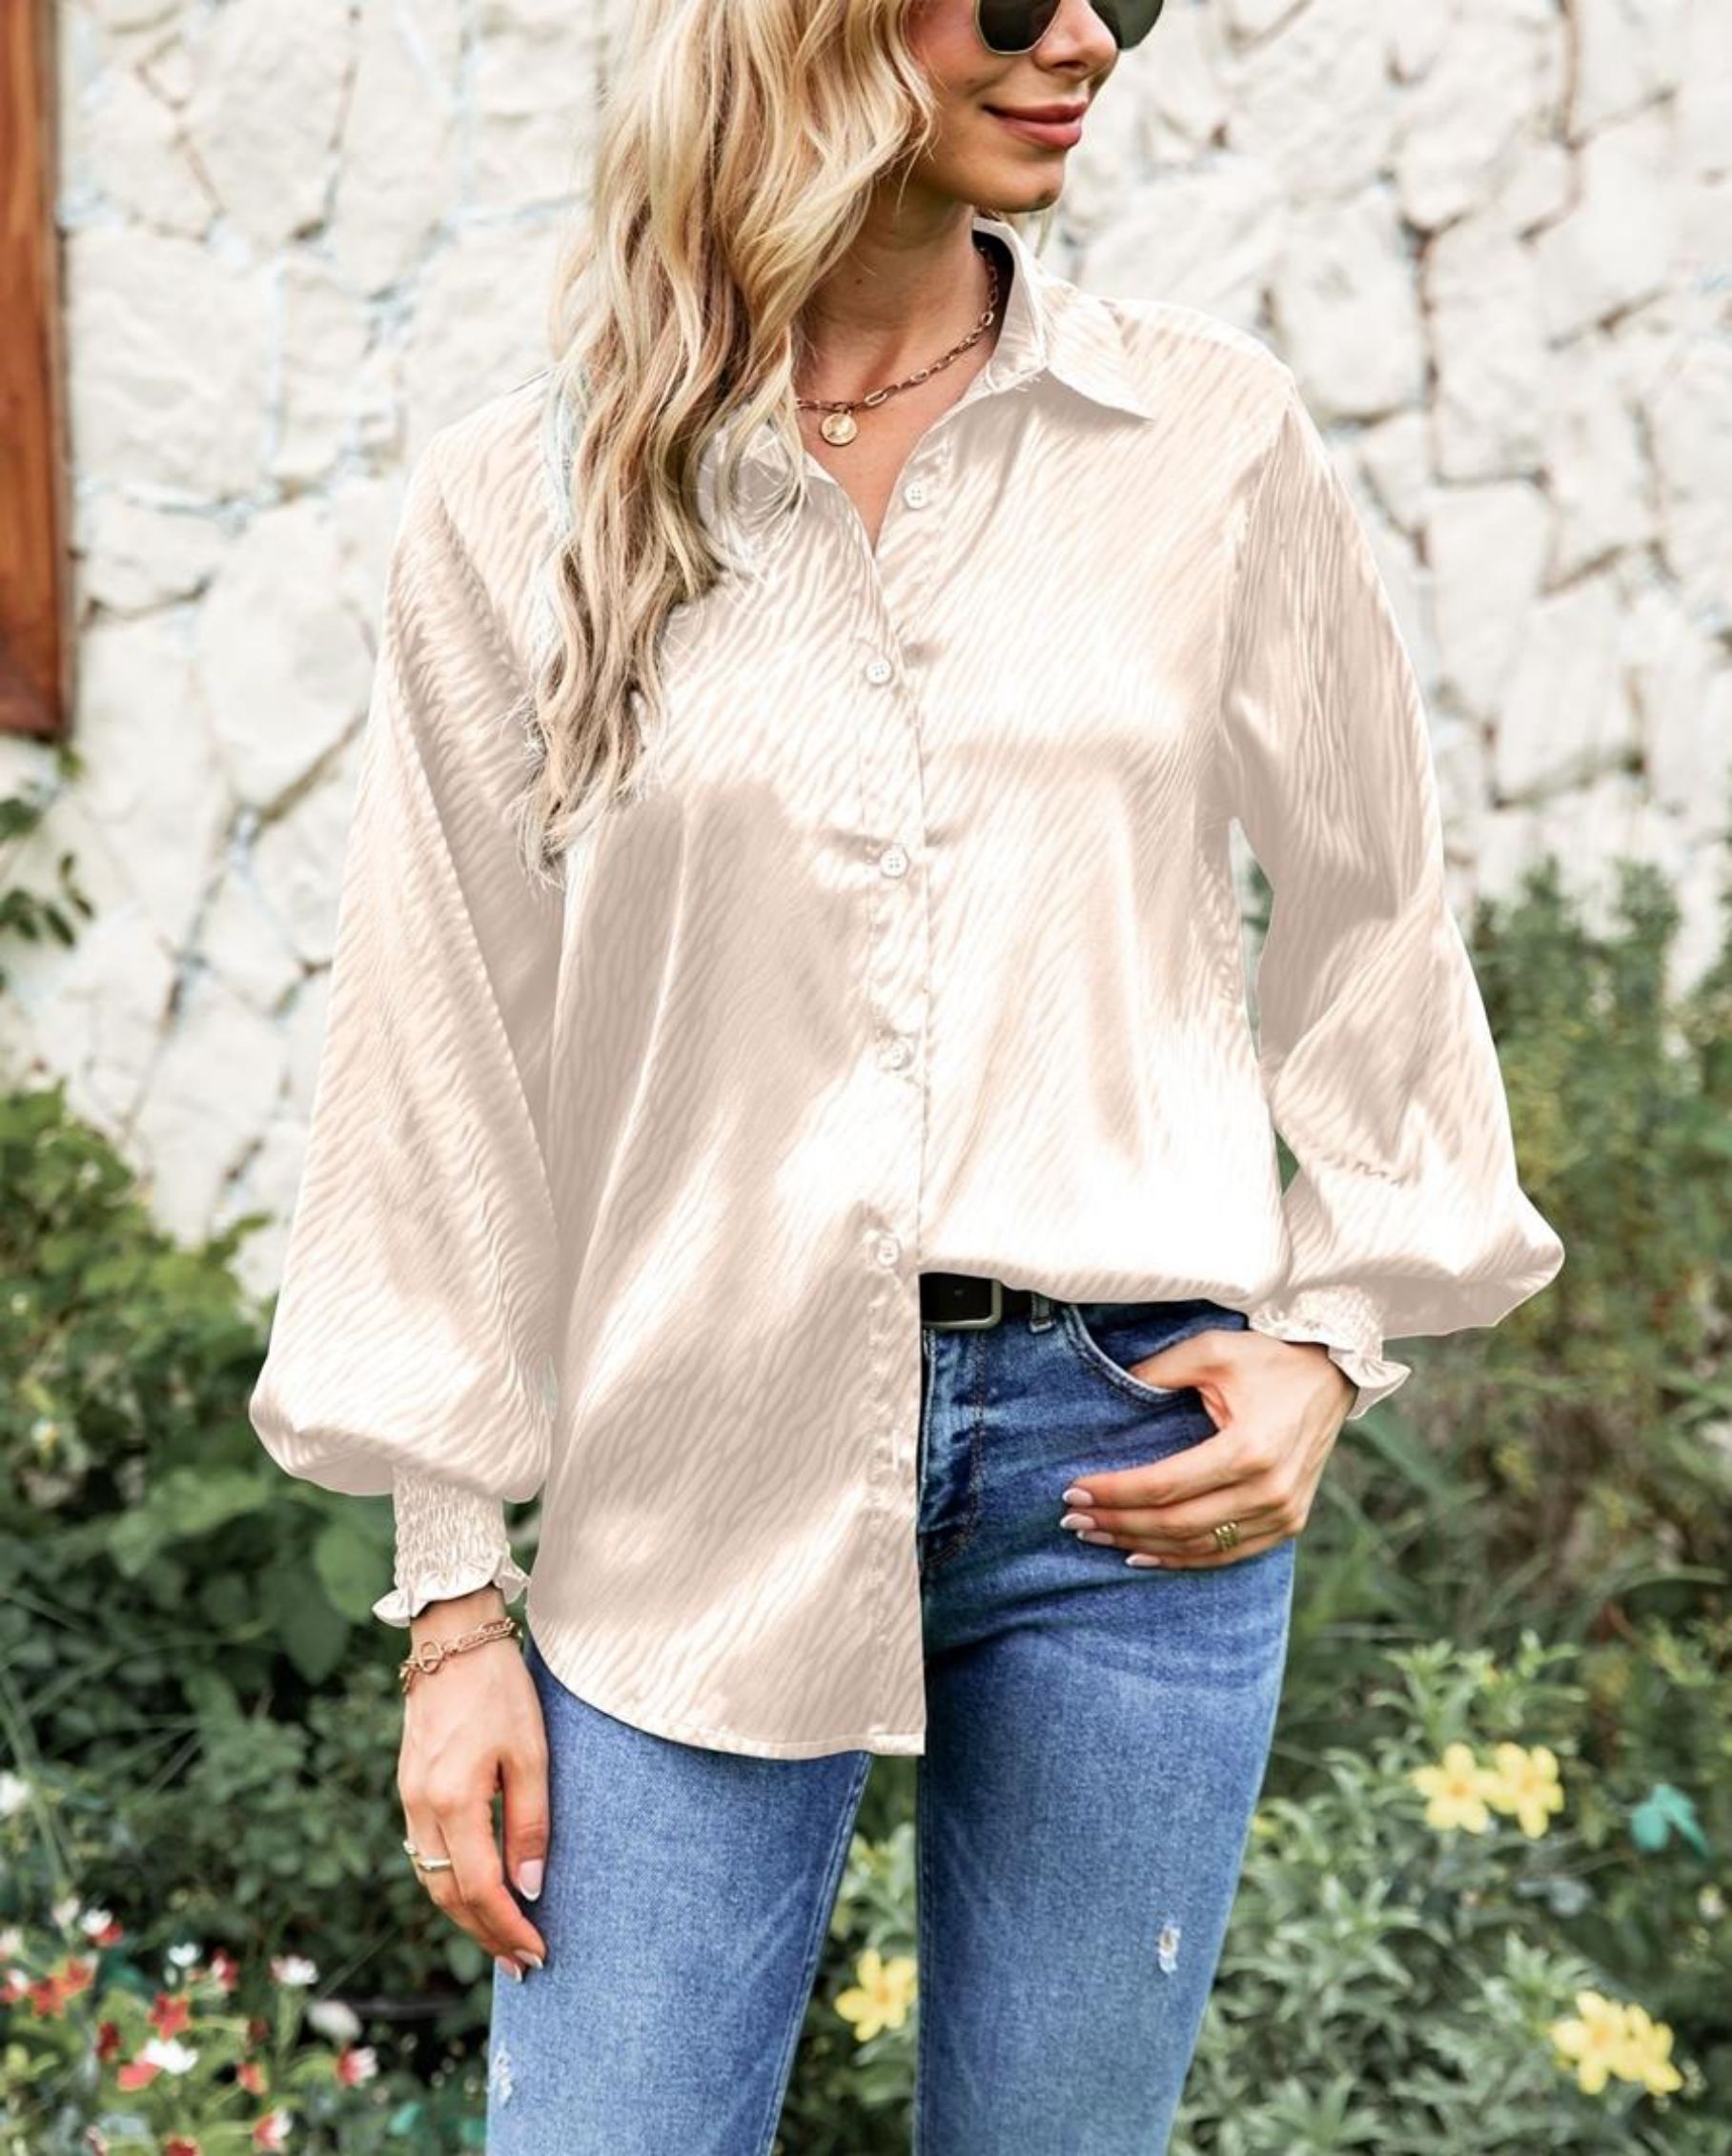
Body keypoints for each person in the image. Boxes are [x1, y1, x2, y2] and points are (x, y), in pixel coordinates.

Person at [247, 2, 1565, 2149]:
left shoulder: (1202, 439)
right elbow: (436, 1048)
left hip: (1124, 1463)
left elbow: (1372, 911)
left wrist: (1334, 1341)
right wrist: (452, 1601)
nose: (1085, 36)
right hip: (692, 1449)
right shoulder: (532, 498)